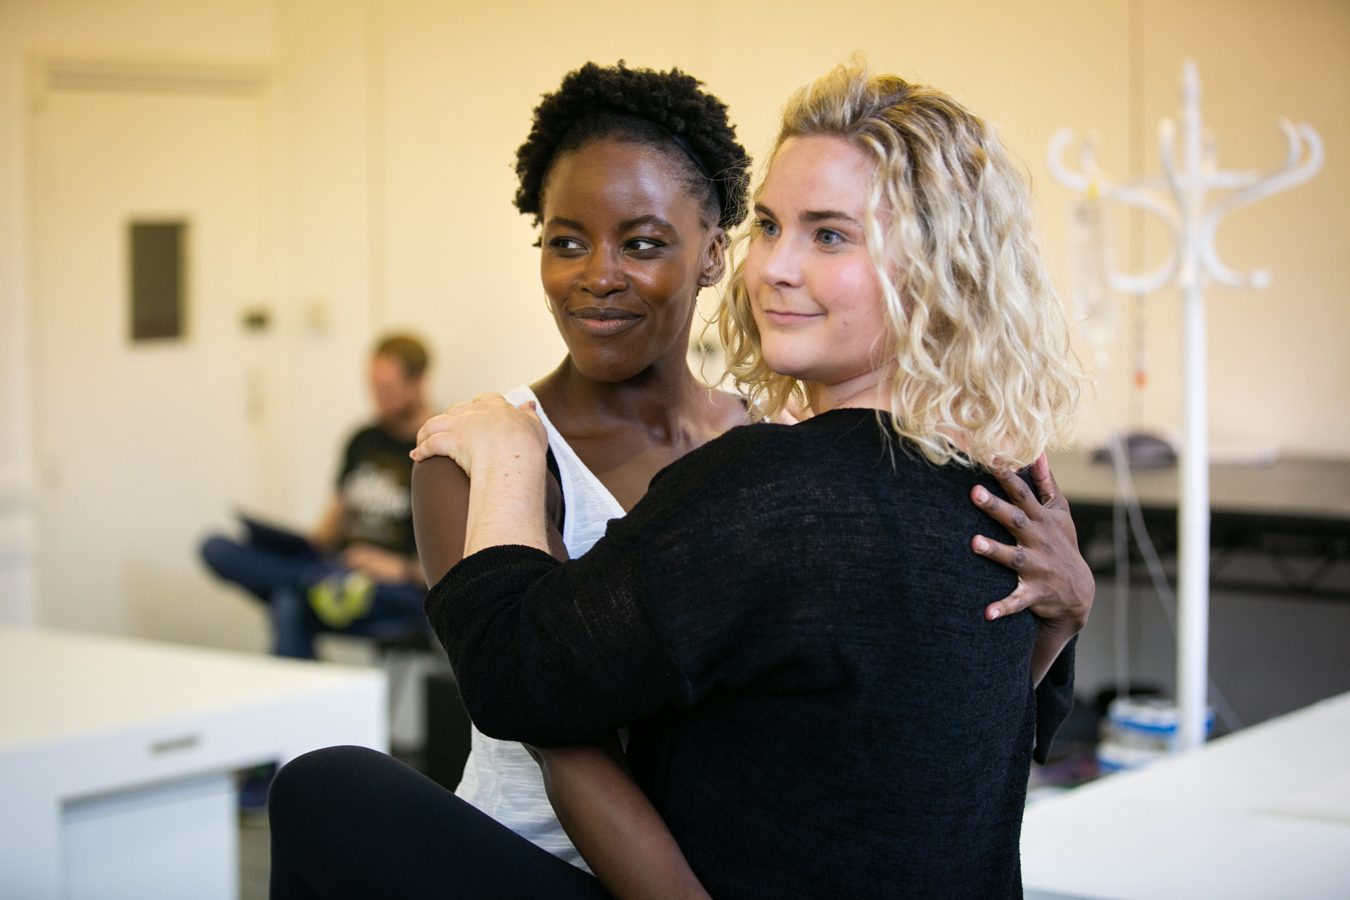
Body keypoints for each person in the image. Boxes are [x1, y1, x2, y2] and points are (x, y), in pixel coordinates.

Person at [267, 61, 1091, 900]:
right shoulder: (486, 449)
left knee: (323, 789)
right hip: (540, 850)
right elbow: (541, 712)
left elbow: (919, 726)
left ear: (709, 255)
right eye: (566, 242)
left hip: (683, 868)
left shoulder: (776, 463)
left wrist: (1060, 620)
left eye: (643, 243)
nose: (599, 274)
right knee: (327, 789)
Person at [201, 333, 433, 659]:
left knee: (289, 602)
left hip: (396, 587)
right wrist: (301, 546)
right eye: (372, 388)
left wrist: (400, 568)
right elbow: (333, 519)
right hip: (338, 567)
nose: (377, 400)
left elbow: (457, 560)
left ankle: (307, 581)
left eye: (387, 389)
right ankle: (311, 577)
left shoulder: (437, 446)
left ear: (418, 382)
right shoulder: (362, 439)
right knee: (216, 548)